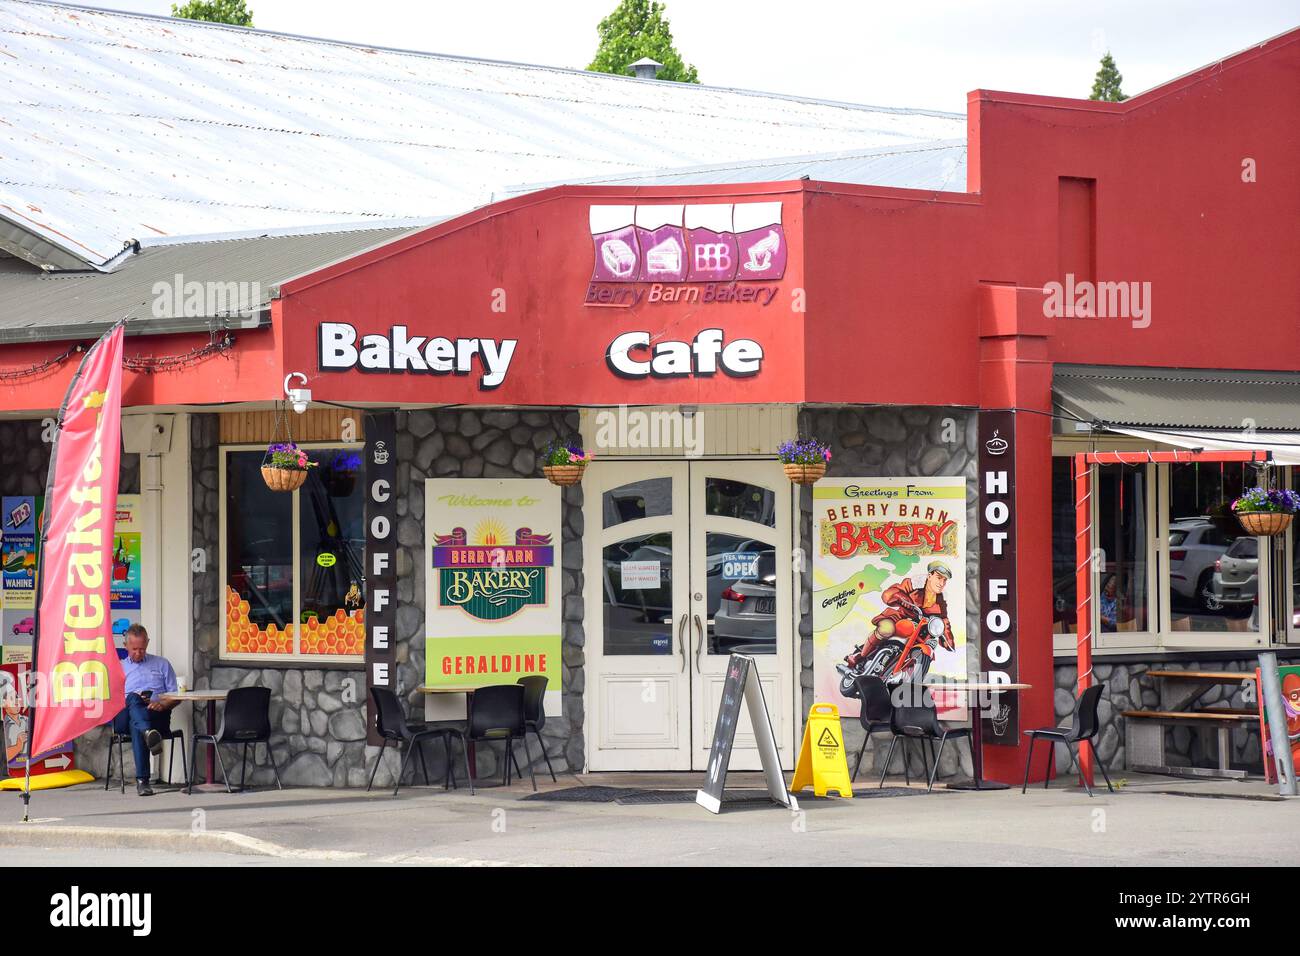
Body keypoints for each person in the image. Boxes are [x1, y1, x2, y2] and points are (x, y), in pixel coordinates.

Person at [848, 560, 956, 670]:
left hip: (921, 630)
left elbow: (944, 620)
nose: (941, 583)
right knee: (886, 629)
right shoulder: (914, 584)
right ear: (929, 575)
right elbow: (889, 593)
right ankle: (861, 656)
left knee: (929, 645)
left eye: (944, 580)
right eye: (939, 577)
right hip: (899, 619)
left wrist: (949, 640)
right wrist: (900, 596)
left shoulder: (941, 599)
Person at [113, 624, 180, 796]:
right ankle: (148, 732)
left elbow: (175, 696)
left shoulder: (162, 664)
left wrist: (162, 704)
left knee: (138, 725)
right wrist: (131, 700)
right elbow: (112, 699)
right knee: (134, 699)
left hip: (156, 714)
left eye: (142, 649)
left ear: (148, 643)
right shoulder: (118, 668)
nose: (138, 653)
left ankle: (143, 781)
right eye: (134, 649)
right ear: (125, 645)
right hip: (125, 715)